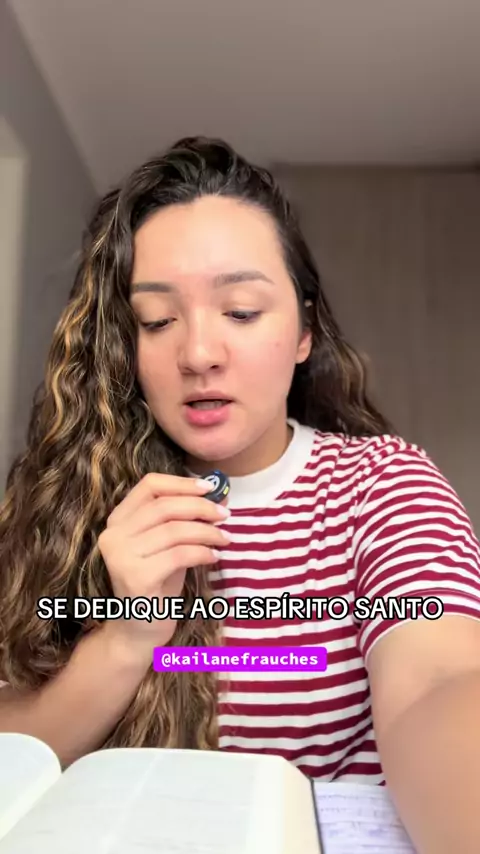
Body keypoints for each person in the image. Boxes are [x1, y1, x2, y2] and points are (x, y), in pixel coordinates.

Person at [0, 136, 479, 852]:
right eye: (157, 321)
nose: (198, 354)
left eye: (243, 311)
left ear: (304, 333)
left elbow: (440, 678)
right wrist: (131, 635)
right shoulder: (72, 502)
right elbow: (14, 762)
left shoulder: (380, 485)